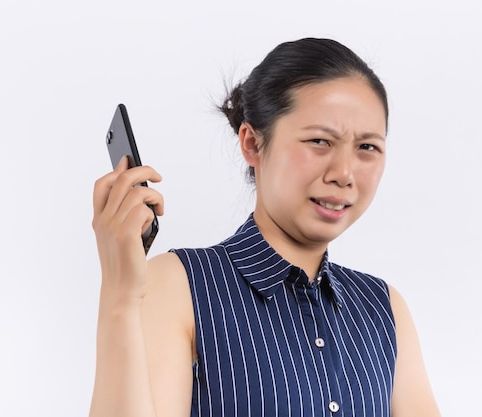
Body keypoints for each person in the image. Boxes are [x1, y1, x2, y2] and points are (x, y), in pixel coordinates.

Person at [89, 38, 441, 417]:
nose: (344, 174)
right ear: (253, 143)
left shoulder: (382, 307)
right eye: (320, 141)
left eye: (367, 148)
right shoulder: (179, 285)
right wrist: (120, 298)